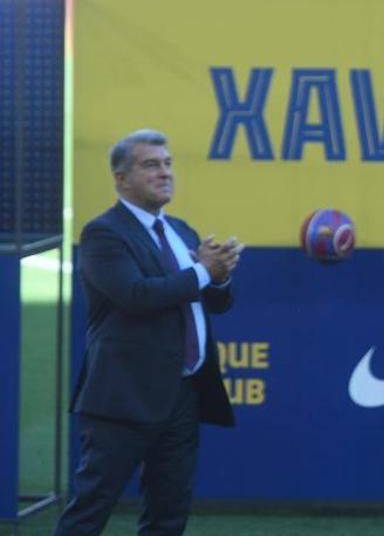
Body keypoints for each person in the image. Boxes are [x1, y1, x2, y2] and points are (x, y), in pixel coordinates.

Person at [55, 129, 243, 536]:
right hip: (123, 398)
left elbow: (214, 301)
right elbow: (136, 295)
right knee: (91, 509)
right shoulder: (103, 233)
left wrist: (220, 276)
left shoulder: (181, 230)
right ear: (120, 179)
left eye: (168, 163)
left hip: (183, 396)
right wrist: (202, 272)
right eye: (151, 165)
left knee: (168, 513)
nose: (164, 173)